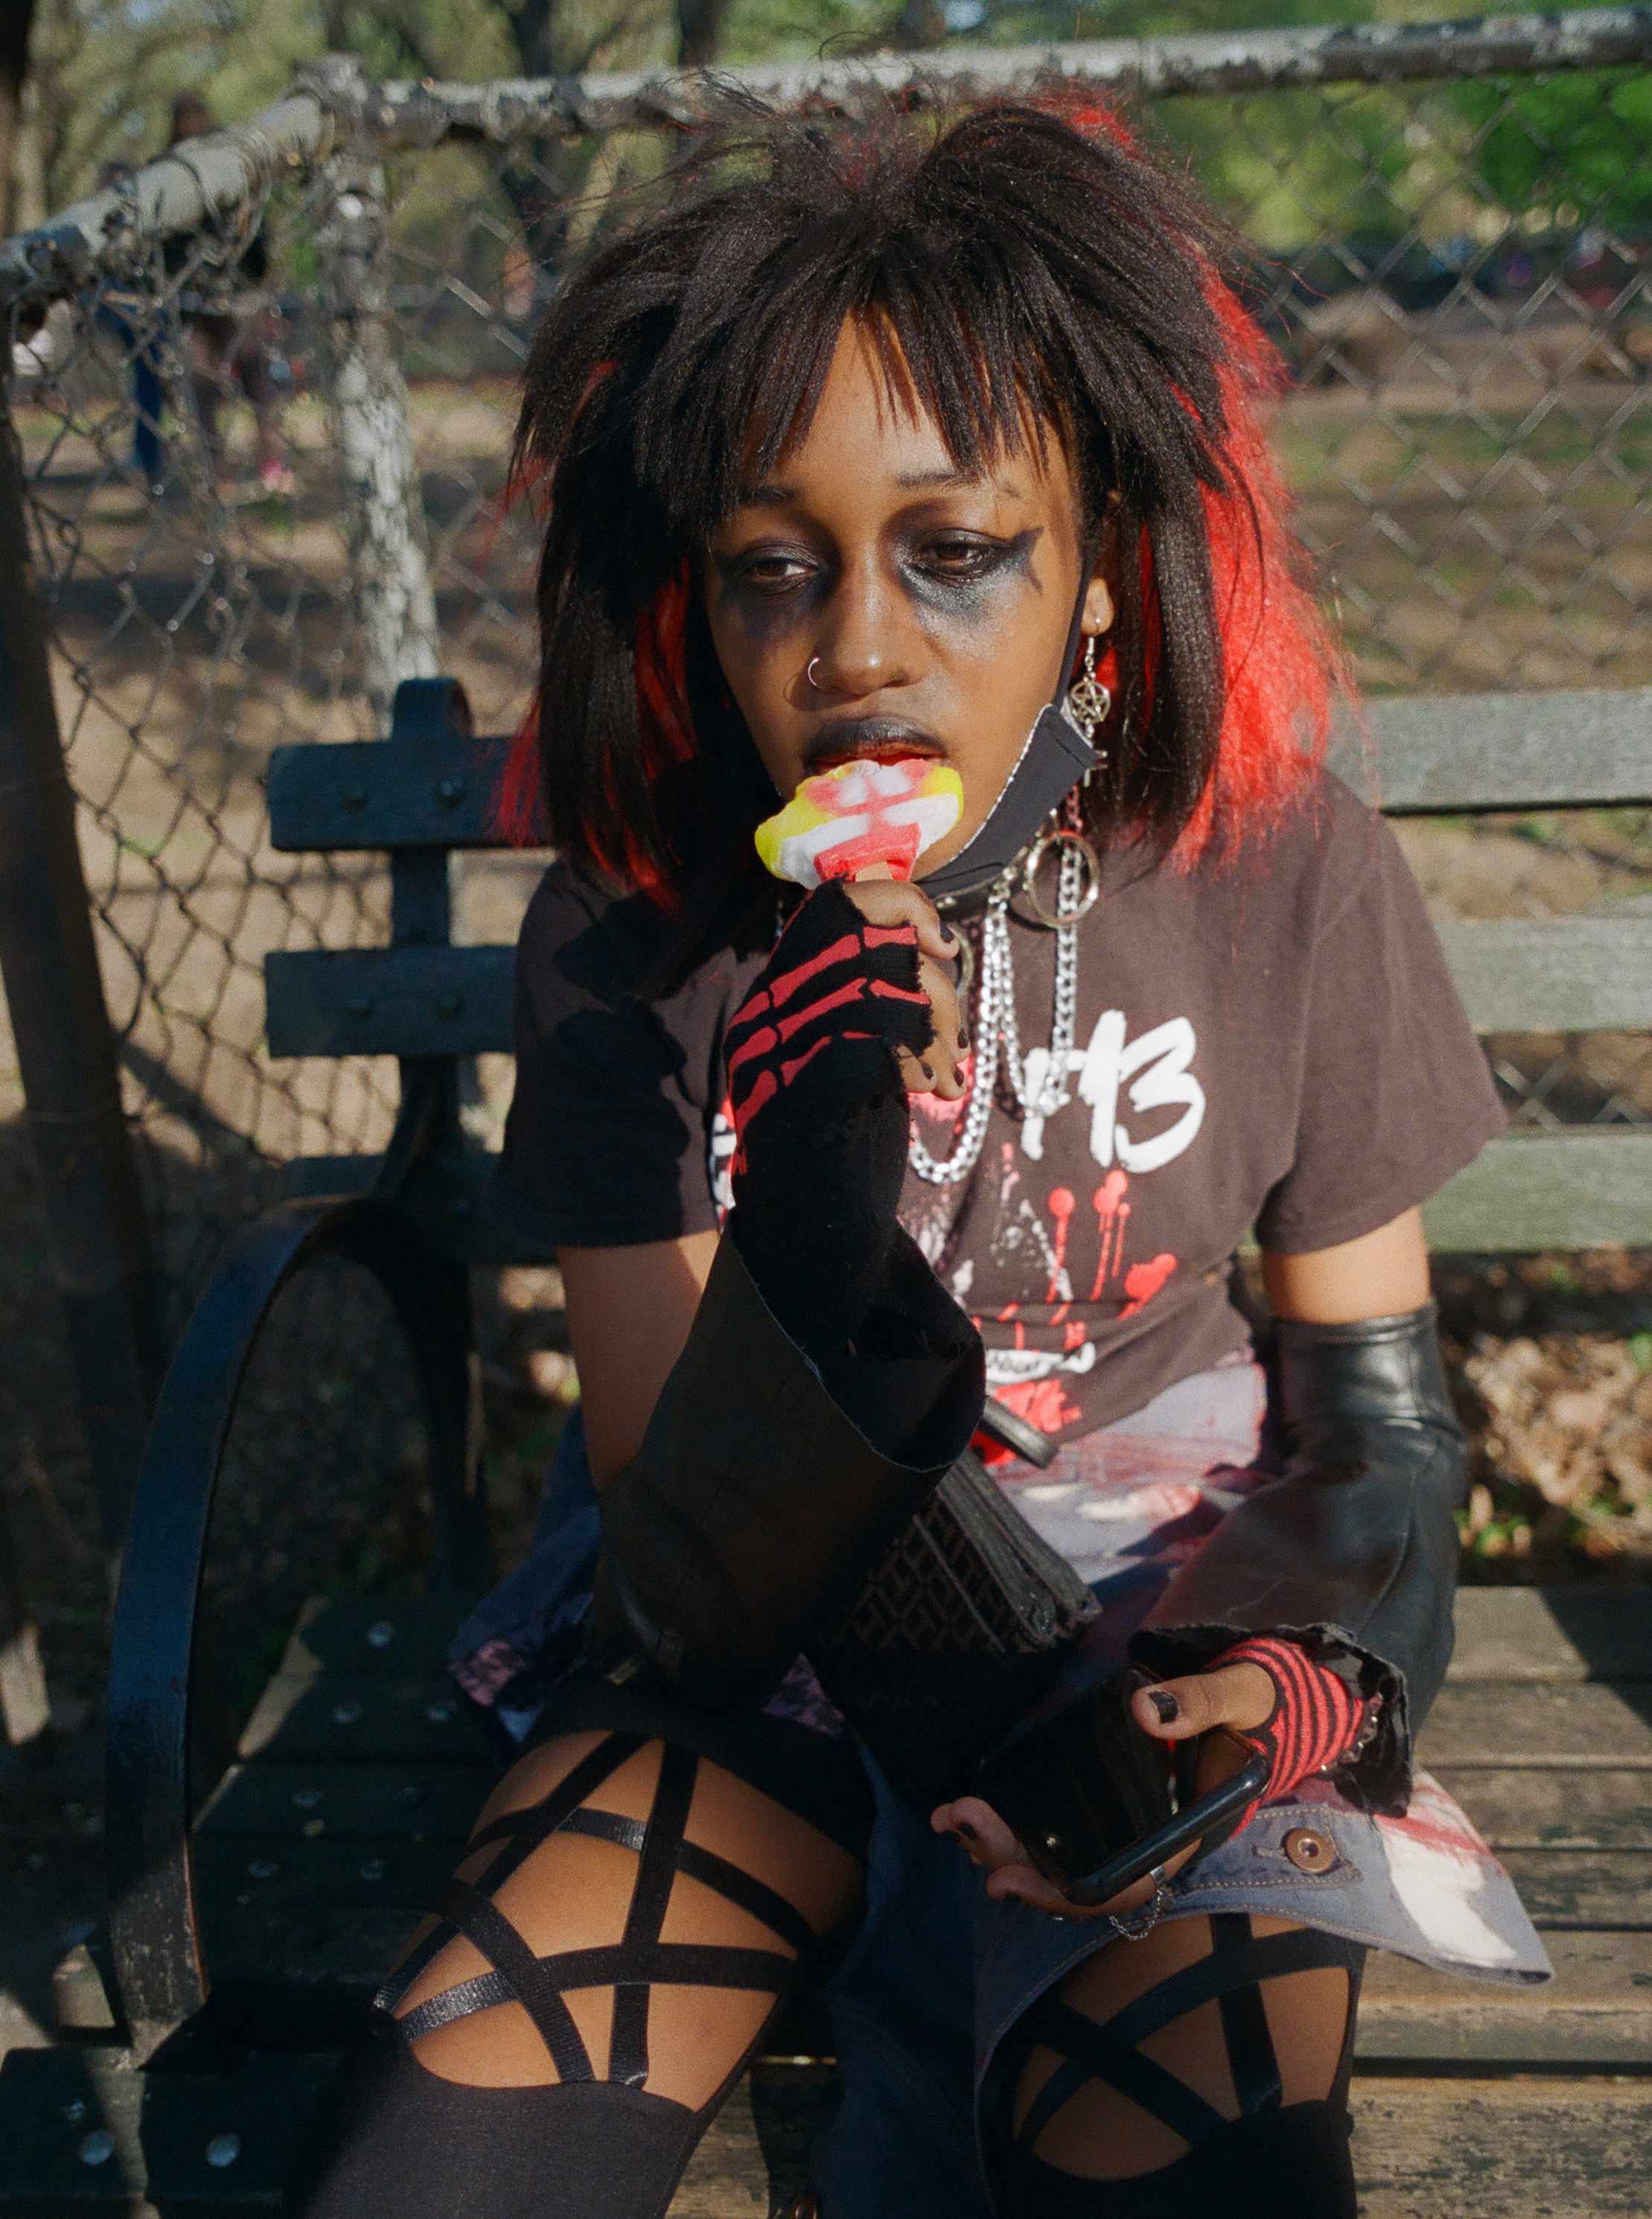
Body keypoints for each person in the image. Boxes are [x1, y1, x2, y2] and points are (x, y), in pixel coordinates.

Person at [287, 99, 1549, 2219]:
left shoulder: (1284, 871)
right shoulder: (632, 938)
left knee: (1194, 2157)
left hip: (1162, 1603)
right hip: (754, 1617)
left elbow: (1378, 1420)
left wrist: (1269, 1672)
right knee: (446, 2143)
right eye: (778, 561)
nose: (855, 643)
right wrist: (807, 1193)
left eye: (952, 548)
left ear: (1102, 576)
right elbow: (673, 1542)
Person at [164, 92, 296, 497]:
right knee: (203, 389)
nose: (193, 124)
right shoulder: (167, 174)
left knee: (259, 382)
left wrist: (257, 285)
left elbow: (257, 234)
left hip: (237, 296)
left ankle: (271, 463)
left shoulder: (228, 165)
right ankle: (216, 470)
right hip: (193, 302)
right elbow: (167, 245)